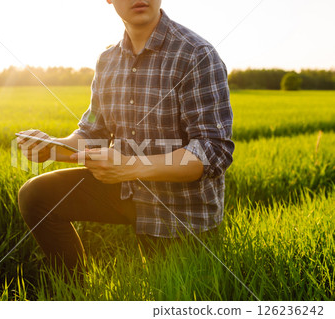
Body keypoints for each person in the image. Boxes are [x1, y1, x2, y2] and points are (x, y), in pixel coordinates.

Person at [17, 0, 234, 274]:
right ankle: (73, 292)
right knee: (37, 195)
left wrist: (130, 167)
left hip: (179, 208)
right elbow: (91, 132)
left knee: (166, 294)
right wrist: (51, 148)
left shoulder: (196, 54)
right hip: (125, 190)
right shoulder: (107, 61)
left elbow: (213, 151)